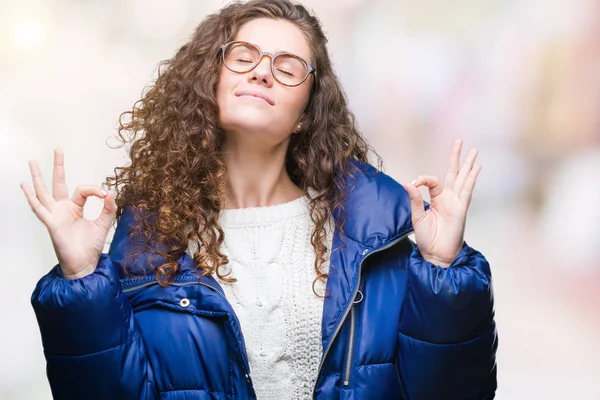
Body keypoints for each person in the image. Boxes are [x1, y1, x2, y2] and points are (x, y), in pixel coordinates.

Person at [21, 0, 497, 399]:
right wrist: (82, 278)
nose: (263, 73)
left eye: (288, 67)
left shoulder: (374, 242)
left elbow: (454, 391)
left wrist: (443, 269)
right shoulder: (148, 248)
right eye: (244, 55)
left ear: (306, 116)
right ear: (211, 79)